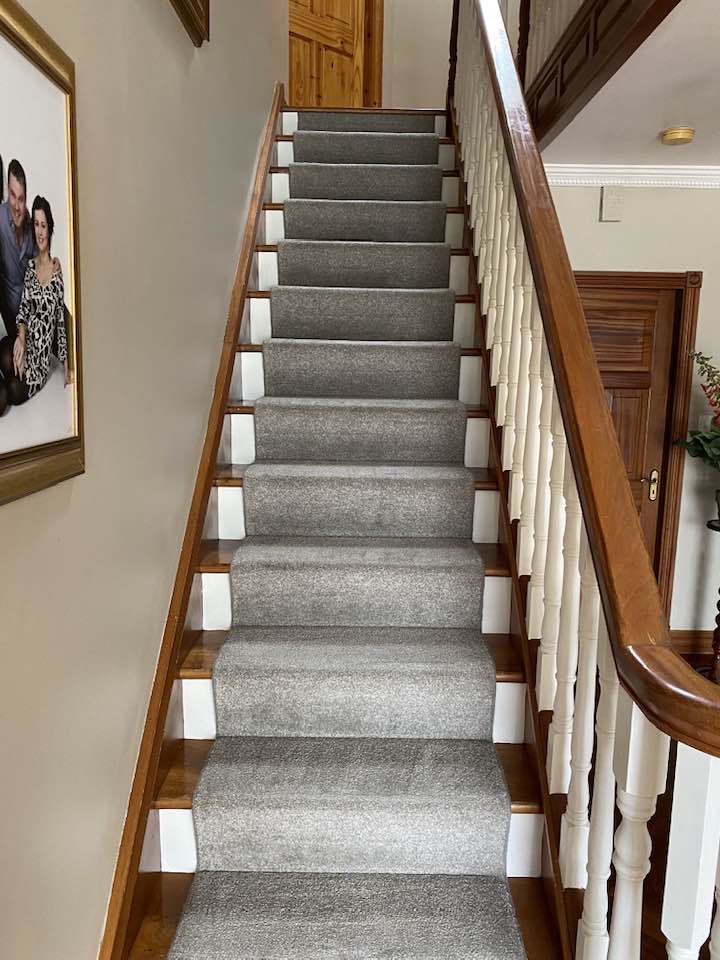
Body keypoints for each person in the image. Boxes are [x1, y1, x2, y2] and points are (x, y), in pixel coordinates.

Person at [0, 196, 69, 406]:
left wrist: (67, 366)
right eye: (36, 224)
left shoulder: (58, 274)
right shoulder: (30, 267)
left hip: (39, 365)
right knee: (3, 348)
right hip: (25, 344)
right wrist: (20, 339)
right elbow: (23, 309)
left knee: (9, 393)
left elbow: (59, 324)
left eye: (43, 225)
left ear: (50, 229)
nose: (39, 231)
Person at [0, 159, 34, 342]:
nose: (16, 206)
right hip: (10, 325)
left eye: (21, 199)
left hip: (31, 322)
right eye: (13, 196)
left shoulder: (33, 230)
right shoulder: (1, 220)